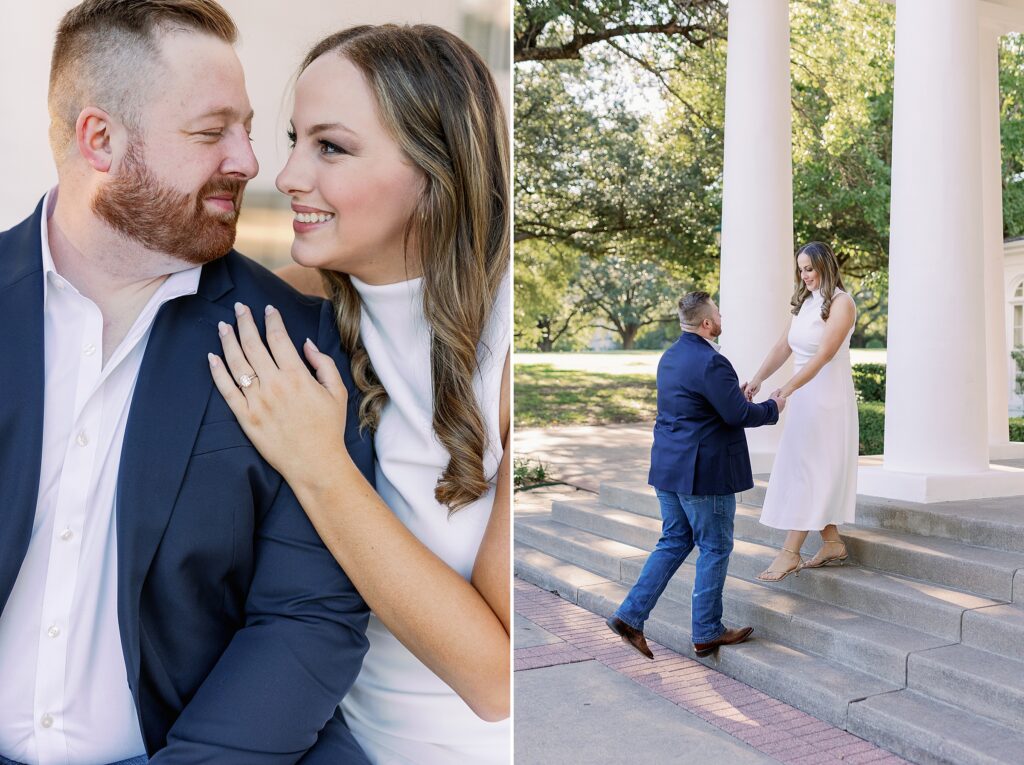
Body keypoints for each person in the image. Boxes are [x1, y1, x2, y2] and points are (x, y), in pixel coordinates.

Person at [0, 2, 376, 763]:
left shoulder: (297, 340)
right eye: (211, 133)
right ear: (100, 140)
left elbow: (307, 616)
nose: (249, 162)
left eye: (248, 129)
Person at [208, 24, 510, 764]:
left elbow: (498, 678)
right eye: (295, 140)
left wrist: (320, 466)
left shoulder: (507, 353)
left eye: (331, 147)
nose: (287, 175)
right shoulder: (296, 309)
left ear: (434, 171)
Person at [605, 292, 785, 660]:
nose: (721, 316)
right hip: (704, 474)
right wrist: (773, 407)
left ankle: (629, 616)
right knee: (715, 547)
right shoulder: (712, 361)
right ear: (706, 323)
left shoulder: (670, 357)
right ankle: (706, 632)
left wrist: (735, 397)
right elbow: (737, 415)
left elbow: (702, 406)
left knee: (674, 541)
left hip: (668, 469)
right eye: (717, 312)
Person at [743, 241, 858, 581]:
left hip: (828, 398)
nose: (804, 275)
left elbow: (824, 355)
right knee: (804, 467)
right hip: (805, 398)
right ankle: (832, 543)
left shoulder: (842, 303)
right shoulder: (805, 302)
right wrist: (759, 379)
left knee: (811, 470)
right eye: (801, 269)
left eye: (810, 268)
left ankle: (790, 553)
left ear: (825, 266)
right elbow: (783, 346)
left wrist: (789, 387)